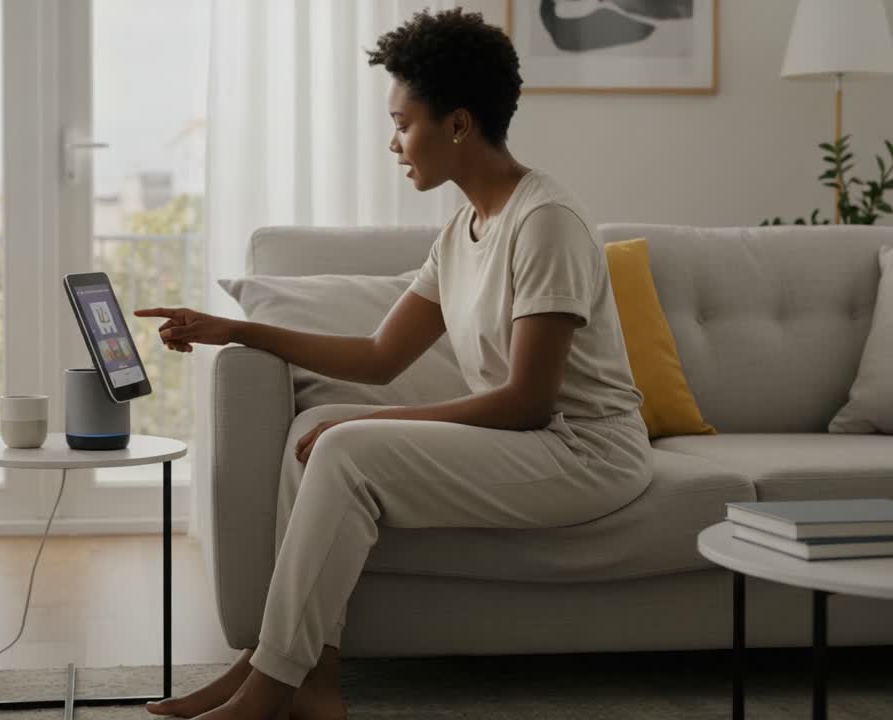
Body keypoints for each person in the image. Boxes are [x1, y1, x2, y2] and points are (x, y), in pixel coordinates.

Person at [134, 8, 651, 720]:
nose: (394, 142)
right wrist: (235, 330)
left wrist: (380, 427)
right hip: (532, 442)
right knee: (316, 426)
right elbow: (378, 358)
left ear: (459, 125)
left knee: (344, 446)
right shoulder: (464, 230)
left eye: (404, 123)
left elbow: (528, 401)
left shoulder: (545, 223)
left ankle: (266, 689)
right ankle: (304, 676)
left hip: (585, 453)